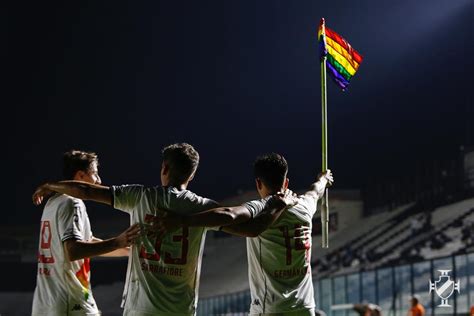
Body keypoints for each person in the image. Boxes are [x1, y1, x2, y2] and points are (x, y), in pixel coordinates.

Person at [32, 143, 293, 316]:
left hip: (140, 309)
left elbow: (87, 191)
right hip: (180, 309)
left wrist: (52, 185)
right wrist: (276, 204)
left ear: (164, 168)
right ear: (191, 176)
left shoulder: (140, 196)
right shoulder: (202, 208)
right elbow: (253, 229)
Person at [156, 153, 333, 315]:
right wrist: (324, 179)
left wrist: (181, 220)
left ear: (258, 183)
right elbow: (314, 191)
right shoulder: (305, 206)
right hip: (305, 307)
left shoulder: (261, 209)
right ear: (286, 182)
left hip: (270, 309)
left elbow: (228, 214)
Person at [31, 150, 140, 316]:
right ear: (81, 176)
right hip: (71, 302)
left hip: (46, 303)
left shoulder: (53, 202)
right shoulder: (73, 203)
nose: (99, 180)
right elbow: (74, 251)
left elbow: (88, 243)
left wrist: (127, 250)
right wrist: (117, 241)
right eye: (95, 173)